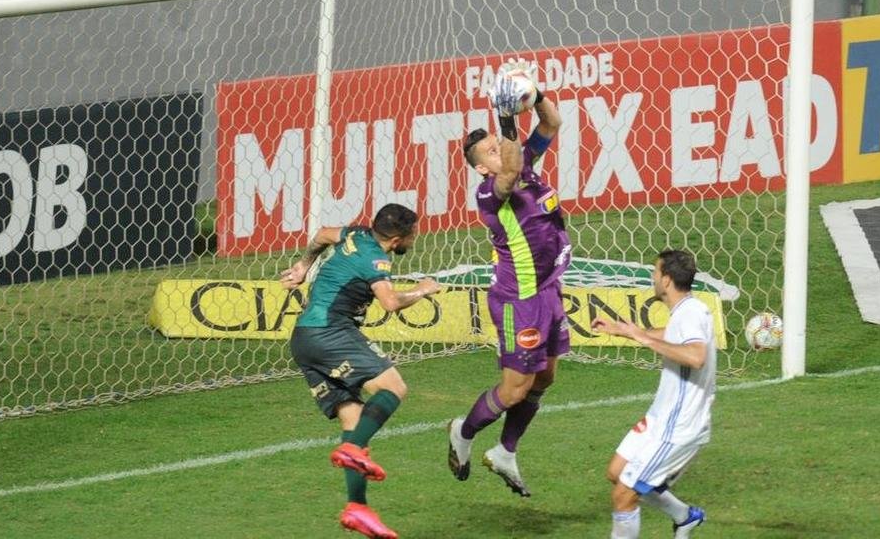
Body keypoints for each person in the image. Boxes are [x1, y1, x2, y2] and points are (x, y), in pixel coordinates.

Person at [280, 203, 440, 539]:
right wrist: (423, 290)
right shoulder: (376, 260)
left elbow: (323, 234)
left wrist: (303, 266)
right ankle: (353, 451)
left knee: (353, 421)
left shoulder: (355, 234)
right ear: (397, 238)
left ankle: (357, 507)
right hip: (330, 334)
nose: (417, 236)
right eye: (413, 232)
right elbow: (391, 303)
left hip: (304, 341)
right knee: (393, 387)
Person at [447, 61, 568, 498]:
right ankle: (463, 430)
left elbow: (553, 121)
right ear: (482, 169)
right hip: (519, 299)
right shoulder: (489, 192)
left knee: (545, 379)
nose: (500, 152)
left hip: (549, 290)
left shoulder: (525, 162)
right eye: (492, 152)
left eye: (500, 145)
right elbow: (511, 172)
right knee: (515, 389)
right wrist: (504, 118)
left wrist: (531, 96)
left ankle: (506, 452)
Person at [592, 249, 713, 539]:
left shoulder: (692, 313)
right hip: (661, 418)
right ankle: (685, 517)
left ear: (667, 280)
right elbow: (673, 334)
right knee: (618, 473)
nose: (652, 278)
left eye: (655, 273)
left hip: (679, 427)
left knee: (624, 494)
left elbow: (696, 356)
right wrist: (627, 331)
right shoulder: (686, 311)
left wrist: (643, 338)